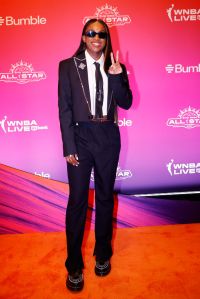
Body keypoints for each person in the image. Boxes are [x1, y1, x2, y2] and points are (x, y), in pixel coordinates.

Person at [58, 18, 132, 292]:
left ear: (106, 38)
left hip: (108, 137)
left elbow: (126, 102)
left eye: (101, 34)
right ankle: (74, 266)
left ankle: (103, 254)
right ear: (84, 36)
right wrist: (68, 146)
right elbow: (64, 108)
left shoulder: (116, 66)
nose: (96, 37)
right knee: (77, 200)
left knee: (103, 197)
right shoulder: (67, 67)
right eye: (91, 33)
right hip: (80, 137)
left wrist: (116, 76)